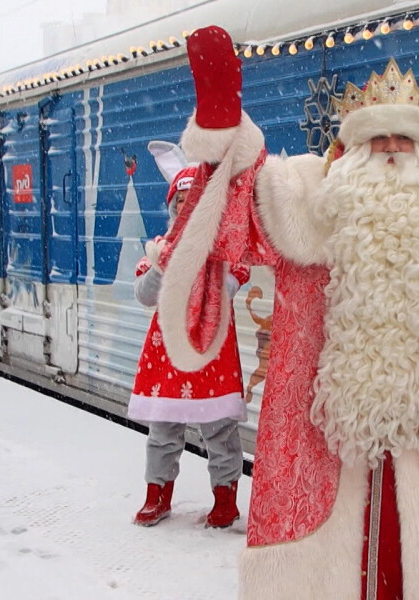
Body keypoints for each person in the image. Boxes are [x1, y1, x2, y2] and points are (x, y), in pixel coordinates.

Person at [155, 27, 419, 599]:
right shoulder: (302, 201)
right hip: (314, 457)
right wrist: (224, 122)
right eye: (376, 139)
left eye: (404, 138)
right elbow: (227, 218)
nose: (392, 149)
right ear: (344, 152)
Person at [129, 164, 248, 529]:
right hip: (167, 353)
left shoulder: (225, 251)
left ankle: (225, 499)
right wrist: (163, 267)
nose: (185, 207)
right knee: (163, 427)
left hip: (210, 351)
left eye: (192, 200)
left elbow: (228, 289)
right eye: (179, 201)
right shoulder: (158, 248)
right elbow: (144, 296)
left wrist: (205, 269)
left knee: (219, 428)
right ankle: (157, 495)